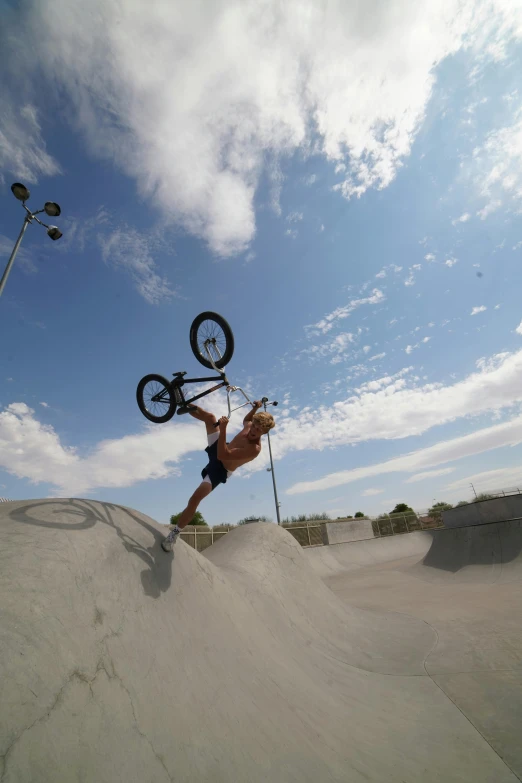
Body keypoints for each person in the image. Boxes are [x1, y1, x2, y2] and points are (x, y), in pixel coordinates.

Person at [162, 400, 275, 551]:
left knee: (195, 498)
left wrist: (223, 429)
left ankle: (174, 534)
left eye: (259, 430)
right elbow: (247, 420)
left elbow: (223, 455)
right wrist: (254, 408)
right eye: (255, 425)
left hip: (220, 468)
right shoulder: (249, 425)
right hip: (221, 447)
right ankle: (181, 402)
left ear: (264, 432)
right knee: (210, 417)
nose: (253, 430)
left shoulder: (254, 449)